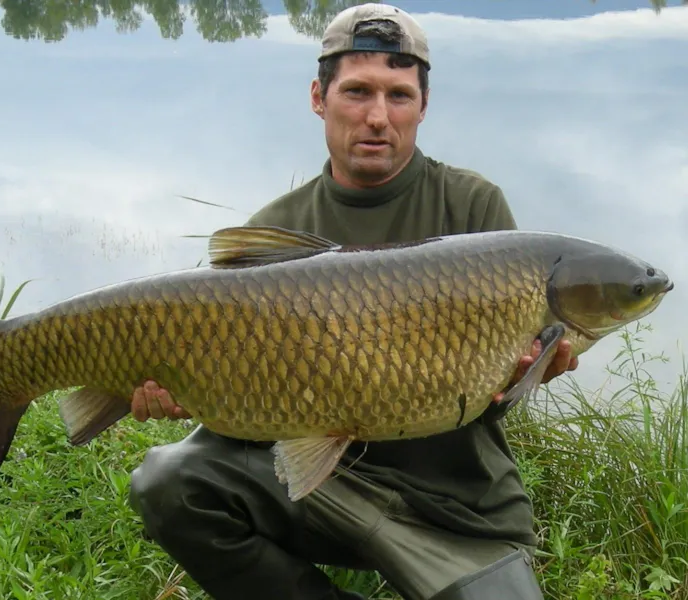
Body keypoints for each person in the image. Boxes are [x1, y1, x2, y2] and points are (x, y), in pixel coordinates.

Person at [127, 4, 578, 599]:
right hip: (319, 487)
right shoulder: (278, 232)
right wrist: (187, 384)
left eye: (398, 96)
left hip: (456, 507)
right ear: (319, 97)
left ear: (423, 106)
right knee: (168, 480)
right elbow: (245, 404)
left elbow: (492, 401)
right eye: (357, 92)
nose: (376, 118)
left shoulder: (475, 214)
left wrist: (529, 372)